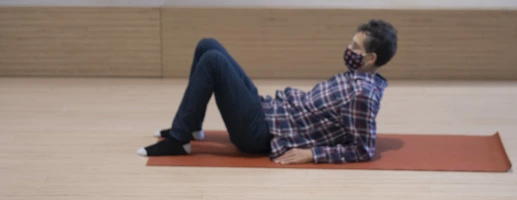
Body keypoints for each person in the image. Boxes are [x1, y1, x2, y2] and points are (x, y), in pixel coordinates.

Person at [138, 19, 398, 164]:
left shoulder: (363, 94)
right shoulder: (359, 74)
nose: (348, 48)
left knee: (213, 62)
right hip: (271, 110)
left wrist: (312, 153)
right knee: (208, 45)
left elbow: (364, 148)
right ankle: (191, 127)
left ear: (371, 57)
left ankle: (179, 140)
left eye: (355, 47)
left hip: (262, 134)